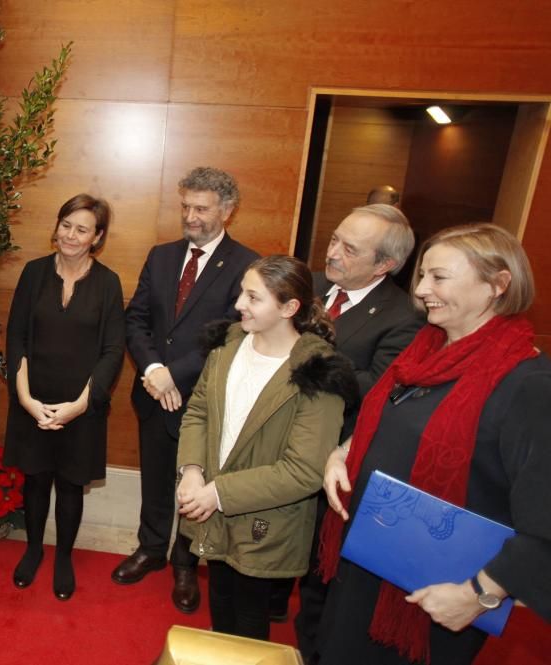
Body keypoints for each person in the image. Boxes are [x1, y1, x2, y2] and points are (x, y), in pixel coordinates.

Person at [317, 223, 551, 665]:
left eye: (439, 277)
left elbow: (545, 522)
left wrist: (480, 595)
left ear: (498, 285)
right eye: (422, 275)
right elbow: (387, 425)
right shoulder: (424, 351)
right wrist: (342, 452)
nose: (422, 289)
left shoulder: (530, 386)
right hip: (365, 565)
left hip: (440, 597)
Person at [175, 255, 356, 639]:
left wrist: (218, 493)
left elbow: (304, 470)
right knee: (220, 599)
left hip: (265, 520)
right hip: (213, 505)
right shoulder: (229, 343)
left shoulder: (317, 370)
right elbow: (198, 412)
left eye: (254, 297)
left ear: (289, 308)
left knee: (249, 618)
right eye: (243, 291)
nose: (239, 303)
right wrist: (191, 470)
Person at [113, 167, 259, 614]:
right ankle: (152, 548)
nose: (190, 216)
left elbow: (235, 333)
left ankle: (185, 562)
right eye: (186, 206)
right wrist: (156, 370)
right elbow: (135, 318)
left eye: (201, 208)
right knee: (156, 476)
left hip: (204, 398)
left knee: (195, 484)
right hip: (155, 391)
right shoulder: (161, 256)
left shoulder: (246, 265)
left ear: (227, 212)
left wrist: (176, 374)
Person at [288, 204, 423, 650]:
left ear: (385, 264)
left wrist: (300, 363)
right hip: (283, 443)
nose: (333, 253)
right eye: (333, 239)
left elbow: (374, 388)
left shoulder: (403, 317)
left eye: (350, 248)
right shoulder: (311, 284)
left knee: (318, 573)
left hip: (336, 456)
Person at [3, 193, 125, 601]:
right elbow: (16, 338)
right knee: (35, 479)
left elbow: (113, 351)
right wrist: (24, 398)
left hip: (81, 406)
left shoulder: (108, 283)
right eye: (66, 225)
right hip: (33, 401)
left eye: (82, 229)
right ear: (57, 227)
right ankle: (34, 549)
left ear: (97, 237)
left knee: (71, 486)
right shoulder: (33, 272)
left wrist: (80, 406)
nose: (71, 235)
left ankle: (64, 558)